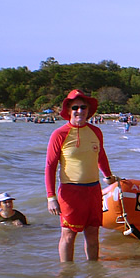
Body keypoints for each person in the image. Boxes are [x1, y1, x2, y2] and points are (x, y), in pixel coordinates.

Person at [45, 89, 116, 262]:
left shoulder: (96, 132)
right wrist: (50, 197)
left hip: (93, 190)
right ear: (68, 110)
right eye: (75, 107)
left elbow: (101, 156)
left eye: (83, 107)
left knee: (93, 234)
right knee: (68, 235)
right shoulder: (59, 134)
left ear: (88, 110)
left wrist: (108, 176)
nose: (79, 111)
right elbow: (50, 166)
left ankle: (93, 275)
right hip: (70, 192)